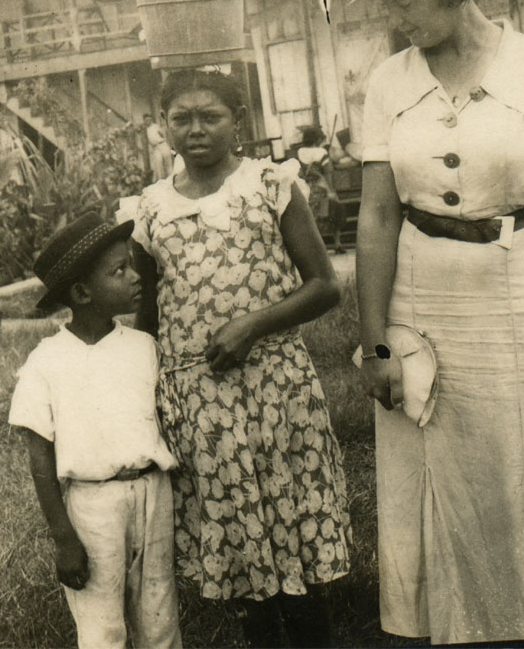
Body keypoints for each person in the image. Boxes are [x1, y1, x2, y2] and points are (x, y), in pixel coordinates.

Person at [354, 0, 524, 644]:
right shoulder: (388, 82)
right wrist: (374, 344)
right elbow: (375, 214)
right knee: (439, 466)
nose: (393, 19)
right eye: (385, 4)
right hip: (426, 296)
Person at [132, 69, 351, 649]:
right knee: (241, 548)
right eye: (182, 118)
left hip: (276, 386)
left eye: (211, 116)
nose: (196, 130)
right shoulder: (148, 209)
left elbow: (326, 286)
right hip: (200, 399)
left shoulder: (271, 184)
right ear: (163, 126)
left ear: (239, 122)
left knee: (293, 532)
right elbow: (148, 316)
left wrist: (253, 324)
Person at [9, 212, 182, 649]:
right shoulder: (46, 362)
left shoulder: (144, 347)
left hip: (153, 493)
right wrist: (64, 538)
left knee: (159, 616)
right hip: (92, 505)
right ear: (82, 292)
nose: (134, 277)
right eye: (119, 271)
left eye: (132, 264)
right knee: (103, 627)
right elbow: (39, 457)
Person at [297, 126, 346, 254]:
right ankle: (337, 243)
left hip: (306, 188)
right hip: (321, 186)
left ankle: (317, 246)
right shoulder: (321, 152)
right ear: (317, 139)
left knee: (312, 218)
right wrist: (332, 191)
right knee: (334, 211)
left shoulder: (299, 152)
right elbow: (328, 172)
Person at [144, 113, 174, 181]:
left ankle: (171, 178)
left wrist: (162, 141)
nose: (147, 121)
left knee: (168, 162)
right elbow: (147, 140)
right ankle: (160, 180)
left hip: (162, 144)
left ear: (151, 120)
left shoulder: (156, 126)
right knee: (158, 162)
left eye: (149, 120)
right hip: (155, 147)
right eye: (146, 120)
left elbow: (163, 134)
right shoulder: (145, 130)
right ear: (144, 121)